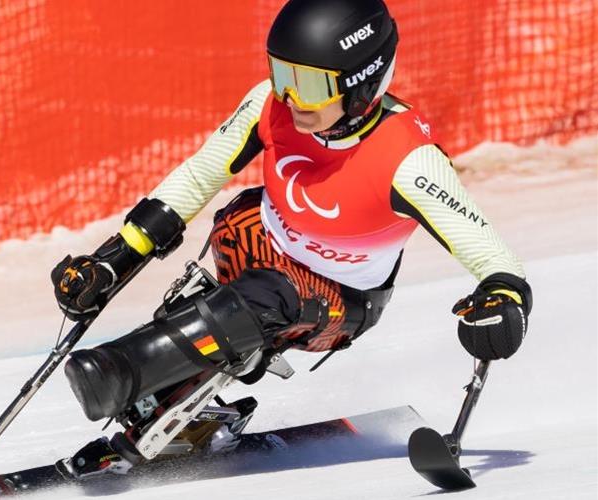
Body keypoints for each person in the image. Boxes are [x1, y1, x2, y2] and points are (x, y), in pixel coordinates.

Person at [50, 0, 532, 478]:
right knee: (236, 232)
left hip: (340, 299)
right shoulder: (270, 104)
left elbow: (492, 254)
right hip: (263, 247)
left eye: (310, 86)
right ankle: (184, 403)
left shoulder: (408, 160)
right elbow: (200, 174)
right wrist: (115, 257)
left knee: (261, 299)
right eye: (284, 75)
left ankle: (122, 373)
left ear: (362, 83)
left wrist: (501, 299)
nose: (292, 99)